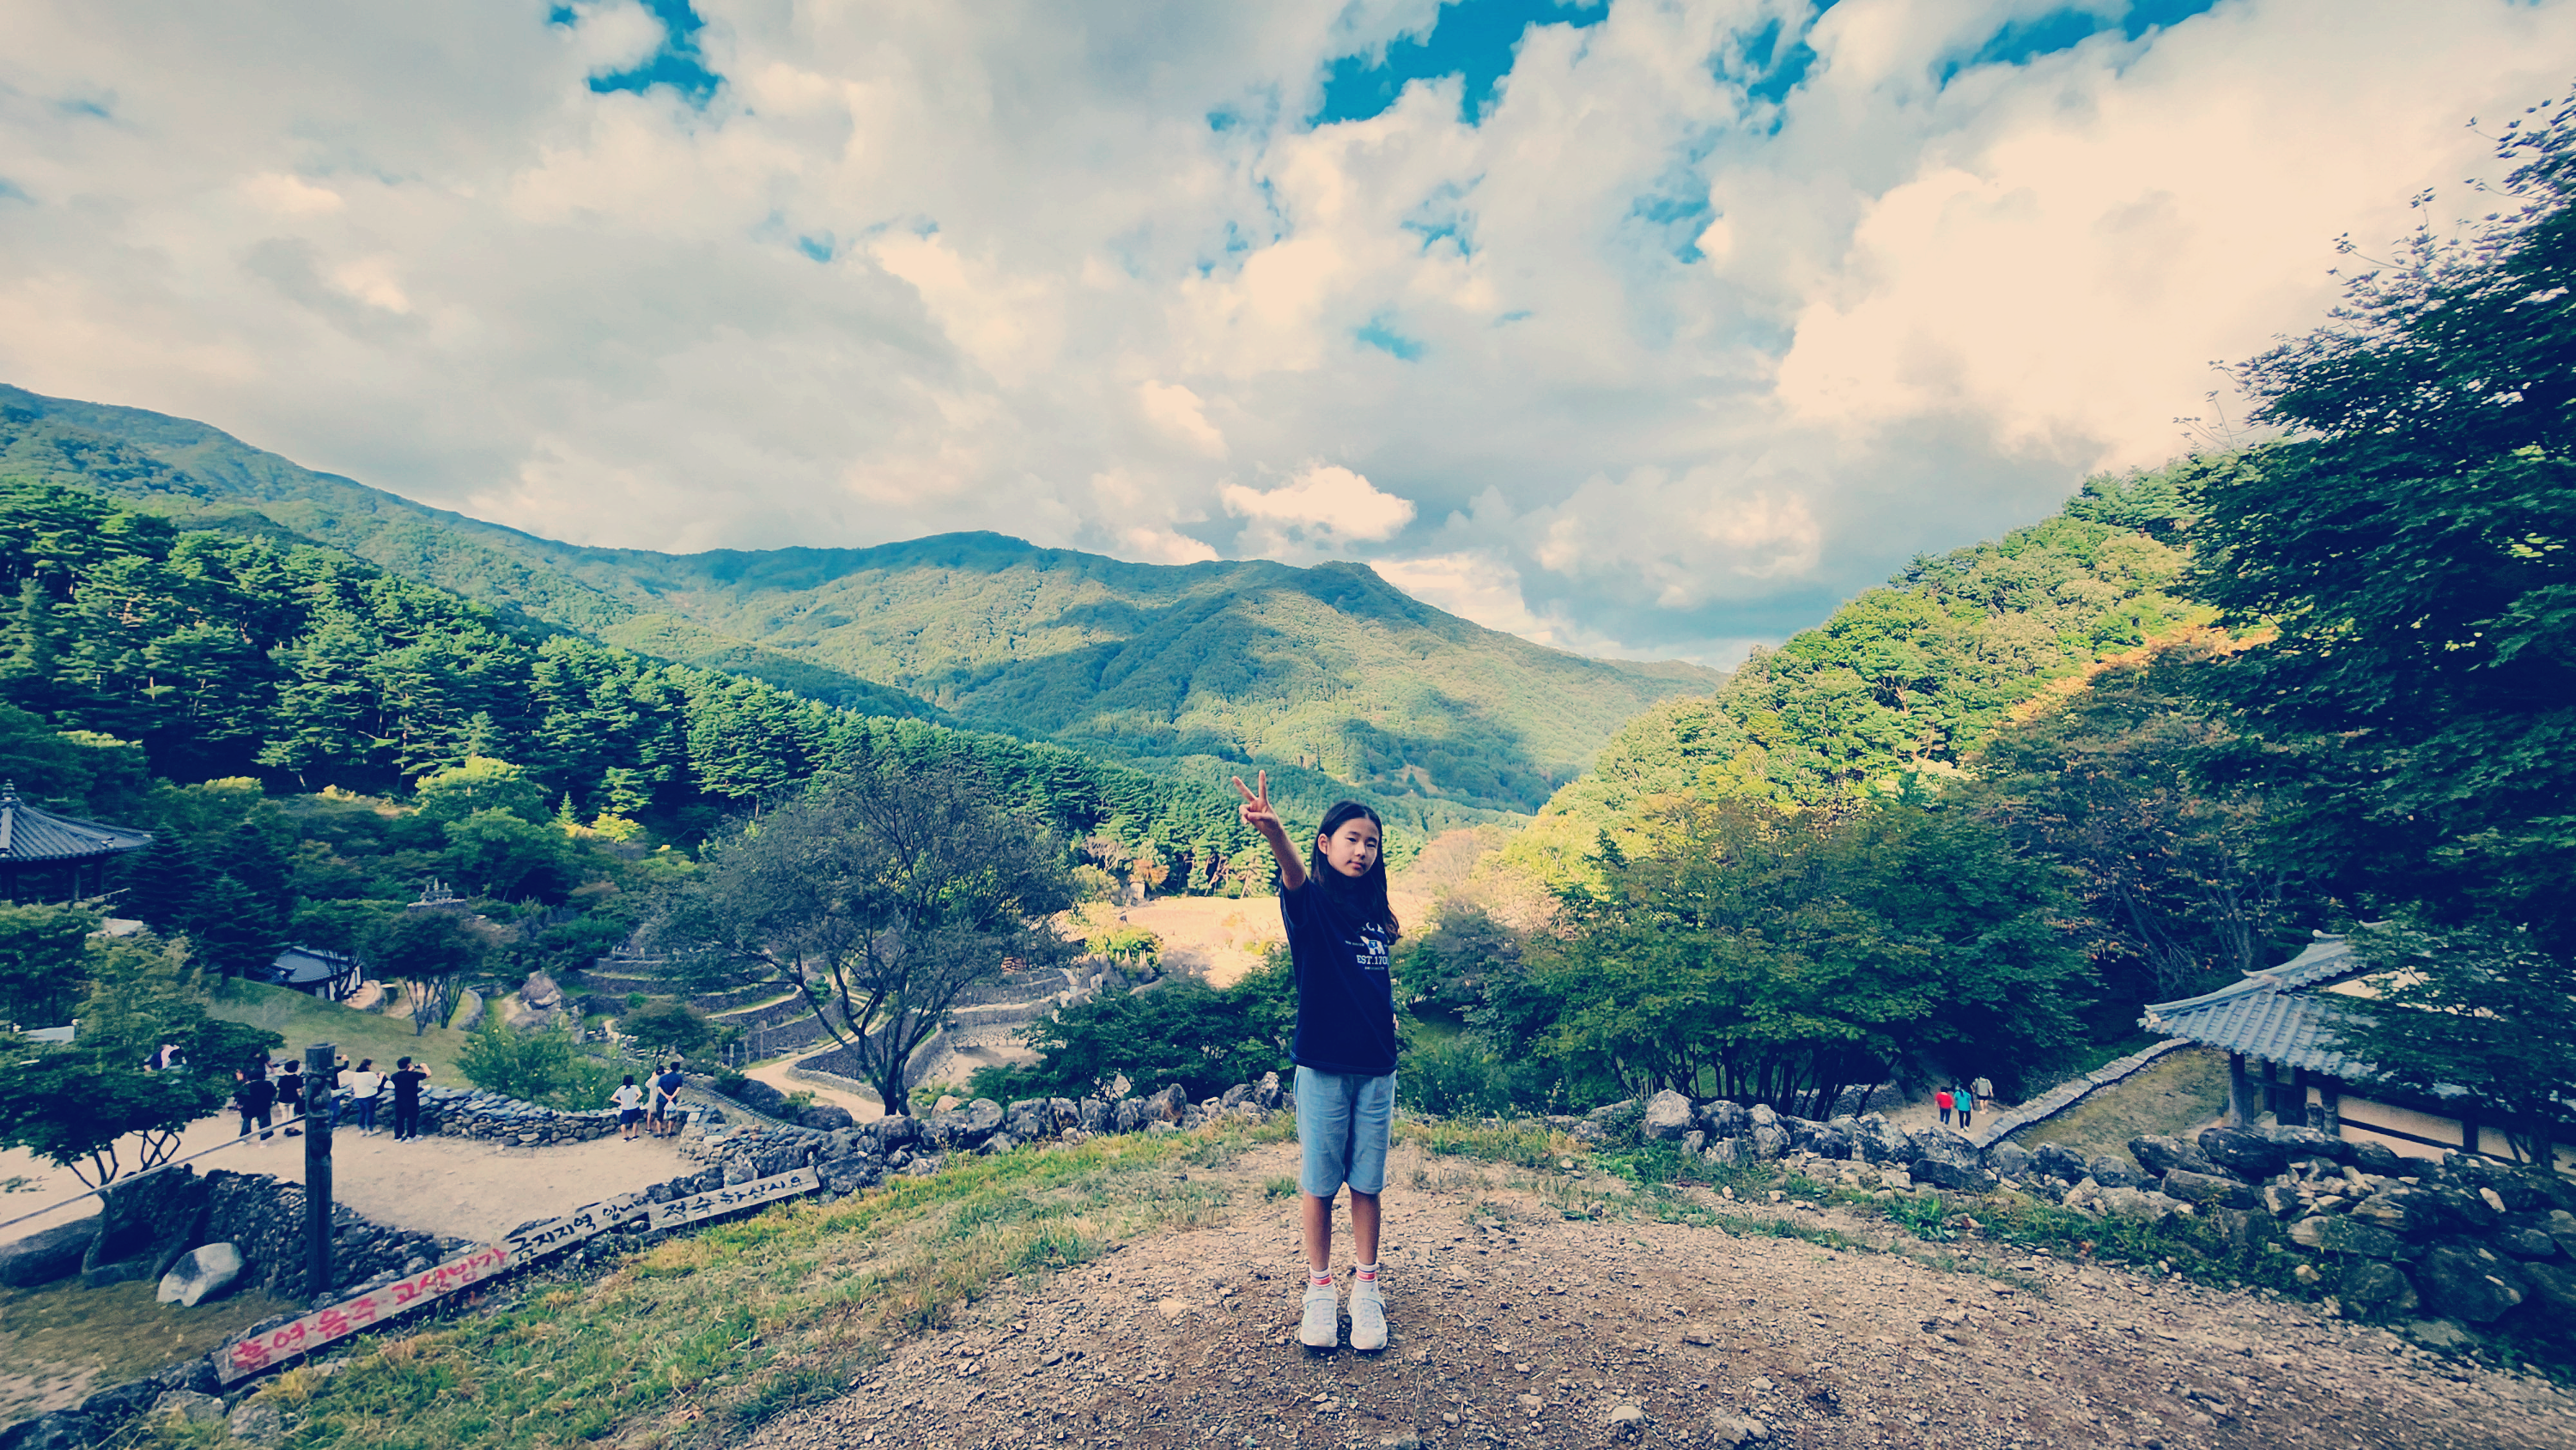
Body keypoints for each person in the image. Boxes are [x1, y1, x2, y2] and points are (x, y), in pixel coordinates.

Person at [1235, 771, 1399, 1355]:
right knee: (1320, 1184)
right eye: (1351, 838)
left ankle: (1368, 1288)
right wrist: (1275, 832)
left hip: (1377, 1068)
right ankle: (1321, 1289)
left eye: (1371, 842)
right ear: (1326, 844)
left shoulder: (1377, 913)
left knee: (1367, 1183)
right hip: (1325, 1066)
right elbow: (1294, 876)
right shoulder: (1313, 907)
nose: (1362, 849)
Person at [389, 1056, 430, 1142]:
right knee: (412, 1118)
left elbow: (404, 1076)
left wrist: (409, 1071)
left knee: (399, 1118)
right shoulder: (413, 1075)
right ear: (408, 1065)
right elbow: (428, 1074)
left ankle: (398, 1137)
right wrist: (424, 1066)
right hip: (411, 1101)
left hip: (399, 1101)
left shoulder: (394, 1076)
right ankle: (411, 1136)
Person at [234, 1063, 276, 1140]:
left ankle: (244, 1138)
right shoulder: (268, 1084)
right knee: (264, 1122)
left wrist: (239, 1104)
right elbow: (273, 1092)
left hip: (249, 1107)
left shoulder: (247, 1086)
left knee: (246, 1121)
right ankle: (263, 1140)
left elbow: (241, 1096)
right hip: (263, 1106)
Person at [345, 1059, 385, 1137]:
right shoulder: (370, 1074)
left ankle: (362, 1130)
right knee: (370, 1112)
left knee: (362, 1112)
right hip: (369, 1096)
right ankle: (370, 1130)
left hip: (359, 1097)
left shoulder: (356, 1074)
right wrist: (381, 1077)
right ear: (368, 1066)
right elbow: (376, 1084)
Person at [651, 1061, 686, 1138]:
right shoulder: (678, 1077)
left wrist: (666, 1096)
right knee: (672, 1116)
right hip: (672, 1100)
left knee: (659, 1116)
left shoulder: (663, 1077)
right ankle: (669, 1132)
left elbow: (659, 1088)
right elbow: (678, 1088)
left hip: (661, 1099)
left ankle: (659, 1133)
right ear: (678, 1068)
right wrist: (672, 1097)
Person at [276, 1060, 306, 1137]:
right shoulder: (297, 1078)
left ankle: (285, 1127)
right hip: (292, 1099)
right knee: (292, 1114)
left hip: (282, 1099)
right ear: (296, 1069)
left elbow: (278, 1088)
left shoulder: (282, 1078)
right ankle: (292, 1129)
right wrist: (301, 1097)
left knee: (284, 1114)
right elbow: (299, 1090)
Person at [613, 1074, 647, 1141]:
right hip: (634, 1107)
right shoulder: (635, 1087)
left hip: (625, 1108)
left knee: (623, 1123)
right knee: (635, 1122)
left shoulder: (621, 1088)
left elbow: (613, 1098)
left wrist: (621, 1102)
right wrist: (635, 1099)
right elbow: (640, 1094)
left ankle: (625, 1137)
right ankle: (634, 1136)